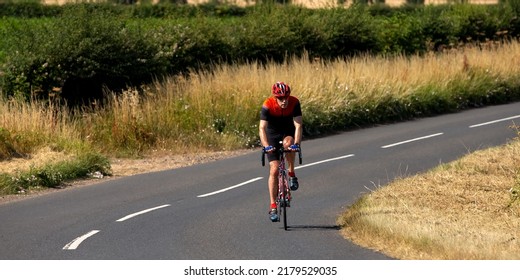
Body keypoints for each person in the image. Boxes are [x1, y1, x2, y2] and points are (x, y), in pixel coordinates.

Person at [259, 81, 303, 222]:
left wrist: (296, 144)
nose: (284, 101)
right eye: (280, 98)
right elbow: (262, 128)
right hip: (272, 133)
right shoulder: (268, 105)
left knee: (289, 145)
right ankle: (273, 206)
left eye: (286, 97)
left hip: (287, 131)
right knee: (274, 169)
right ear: (275, 97)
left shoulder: (295, 103)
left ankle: (291, 174)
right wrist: (266, 146)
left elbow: (298, 125)